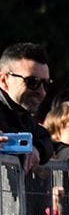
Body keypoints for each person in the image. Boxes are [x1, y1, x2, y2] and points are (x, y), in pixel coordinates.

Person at [0, 42, 56, 171]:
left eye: (46, 84)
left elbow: (46, 138)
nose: (42, 92)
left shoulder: (22, 116)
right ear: (3, 80)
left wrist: (37, 149)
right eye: (32, 82)